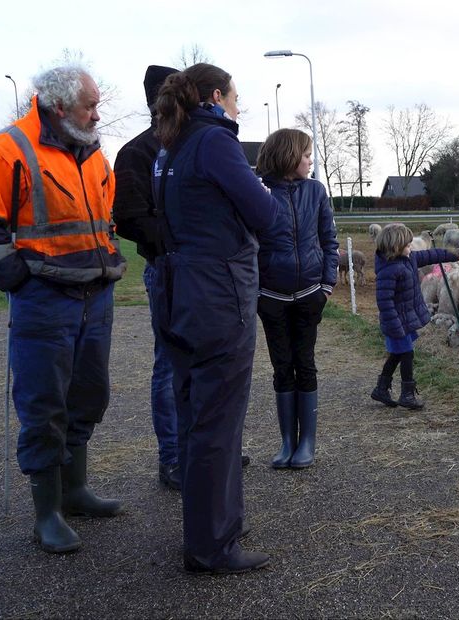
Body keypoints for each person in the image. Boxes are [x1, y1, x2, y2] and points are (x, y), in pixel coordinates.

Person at [0, 65, 126, 553]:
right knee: (43, 403)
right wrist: (18, 279)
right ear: (59, 105)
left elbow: (104, 215)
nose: (97, 113)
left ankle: (74, 491)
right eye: (90, 104)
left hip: (97, 294)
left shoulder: (91, 152)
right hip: (44, 301)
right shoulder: (7, 149)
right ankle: (45, 514)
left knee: (89, 395)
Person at [151, 63, 278, 574]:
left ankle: (214, 524)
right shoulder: (215, 142)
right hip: (217, 295)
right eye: (236, 97)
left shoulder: (170, 145)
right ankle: (211, 545)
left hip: (177, 289)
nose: (239, 107)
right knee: (219, 420)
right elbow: (265, 215)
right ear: (216, 95)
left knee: (195, 415)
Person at [112, 65, 182, 490]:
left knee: (204, 362)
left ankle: (201, 446)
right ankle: (172, 457)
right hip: (167, 269)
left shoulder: (195, 145)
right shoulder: (137, 153)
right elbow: (129, 217)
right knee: (170, 364)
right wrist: (174, 244)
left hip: (202, 271)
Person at [254, 128, 338, 469]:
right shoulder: (259, 192)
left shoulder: (316, 191)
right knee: (280, 366)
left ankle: (308, 443)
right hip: (271, 296)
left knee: (304, 363)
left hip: (308, 295)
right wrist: (257, 291)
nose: (310, 160)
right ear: (289, 156)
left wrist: (327, 285)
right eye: (305, 154)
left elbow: (329, 241)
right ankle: (287, 441)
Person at [371, 224, 458, 410]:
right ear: (396, 247)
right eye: (408, 245)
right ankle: (407, 394)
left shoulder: (408, 259)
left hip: (404, 320)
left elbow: (430, 255)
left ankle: (381, 388)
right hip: (396, 323)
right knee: (407, 354)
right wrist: (395, 327)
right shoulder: (388, 271)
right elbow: (384, 303)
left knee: (396, 354)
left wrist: (453, 255)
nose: (412, 248)